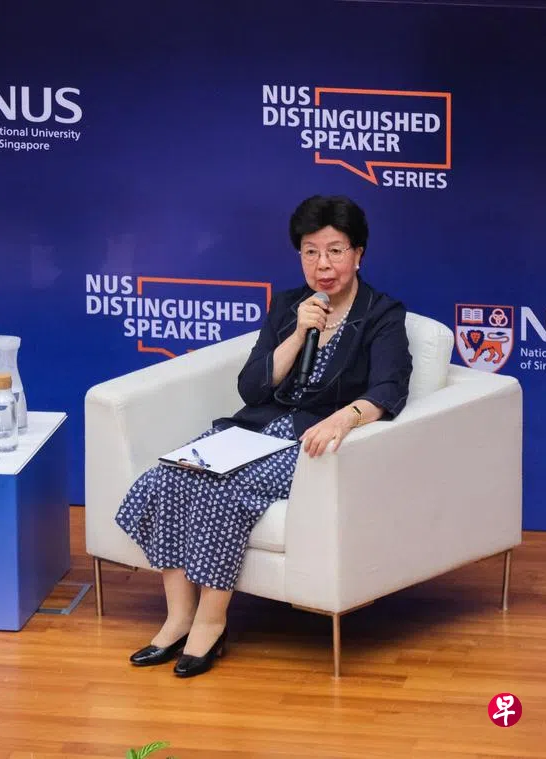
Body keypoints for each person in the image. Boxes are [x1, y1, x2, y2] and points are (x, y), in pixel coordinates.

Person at [114, 195, 412, 678]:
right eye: (311, 252)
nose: (323, 265)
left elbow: (389, 388)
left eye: (335, 251)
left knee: (224, 492)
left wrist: (344, 419)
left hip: (307, 442)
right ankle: (178, 618)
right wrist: (296, 334)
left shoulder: (382, 315)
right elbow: (252, 388)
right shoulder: (288, 305)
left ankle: (211, 624)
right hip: (253, 430)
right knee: (166, 477)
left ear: (359, 254)